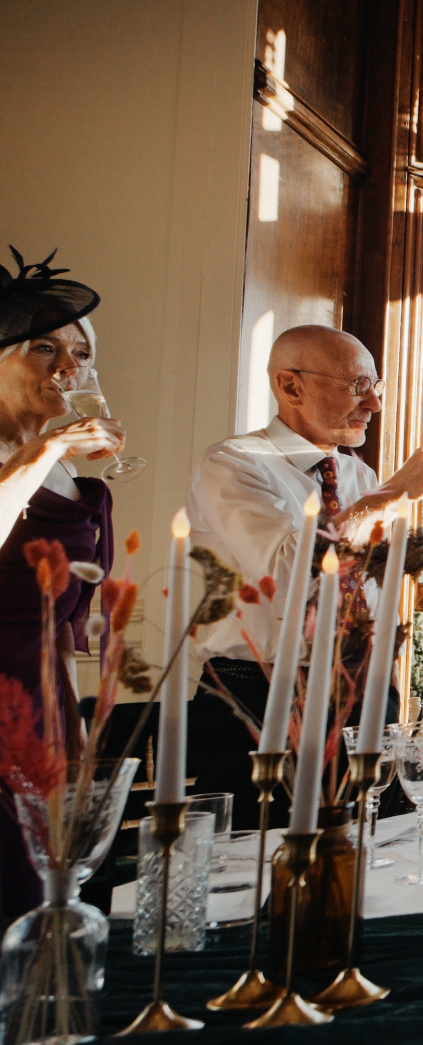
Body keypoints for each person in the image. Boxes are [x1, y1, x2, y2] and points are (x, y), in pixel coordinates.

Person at [188, 324, 423, 819]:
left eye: (376, 388)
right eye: (358, 386)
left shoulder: (359, 475)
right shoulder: (233, 463)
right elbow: (292, 572)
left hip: (360, 688)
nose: (373, 404)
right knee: (258, 859)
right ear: (292, 386)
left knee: (371, 849)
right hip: (258, 695)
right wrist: (393, 495)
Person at [0, 250, 121, 925]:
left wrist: (77, 744)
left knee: (41, 910)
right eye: (43, 348)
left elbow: (67, 632)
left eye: (79, 352)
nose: (67, 368)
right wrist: (44, 448)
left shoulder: (74, 483)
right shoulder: (37, 461)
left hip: (44, 721)